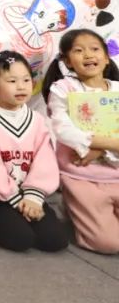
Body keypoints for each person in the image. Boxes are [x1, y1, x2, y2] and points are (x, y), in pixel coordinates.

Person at [0, 52, 68, 252]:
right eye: (12, 81)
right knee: (21, 239)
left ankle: (29, 207)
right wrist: (16, 200)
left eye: (26, 80)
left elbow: (45, 160)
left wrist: (33, 197)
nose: (21, 86)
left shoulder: (36, 119)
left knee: (55, 240)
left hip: (29, 194)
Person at [42, 29, 119, 253]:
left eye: (95, 49)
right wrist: (106, 145)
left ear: (106, 57)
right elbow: (62, 128)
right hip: (81, 176)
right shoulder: (63, 89)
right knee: (109, 243)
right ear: (67, 61)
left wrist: (102, 150)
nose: (88, 55)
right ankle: (70, 207)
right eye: (78, 50)